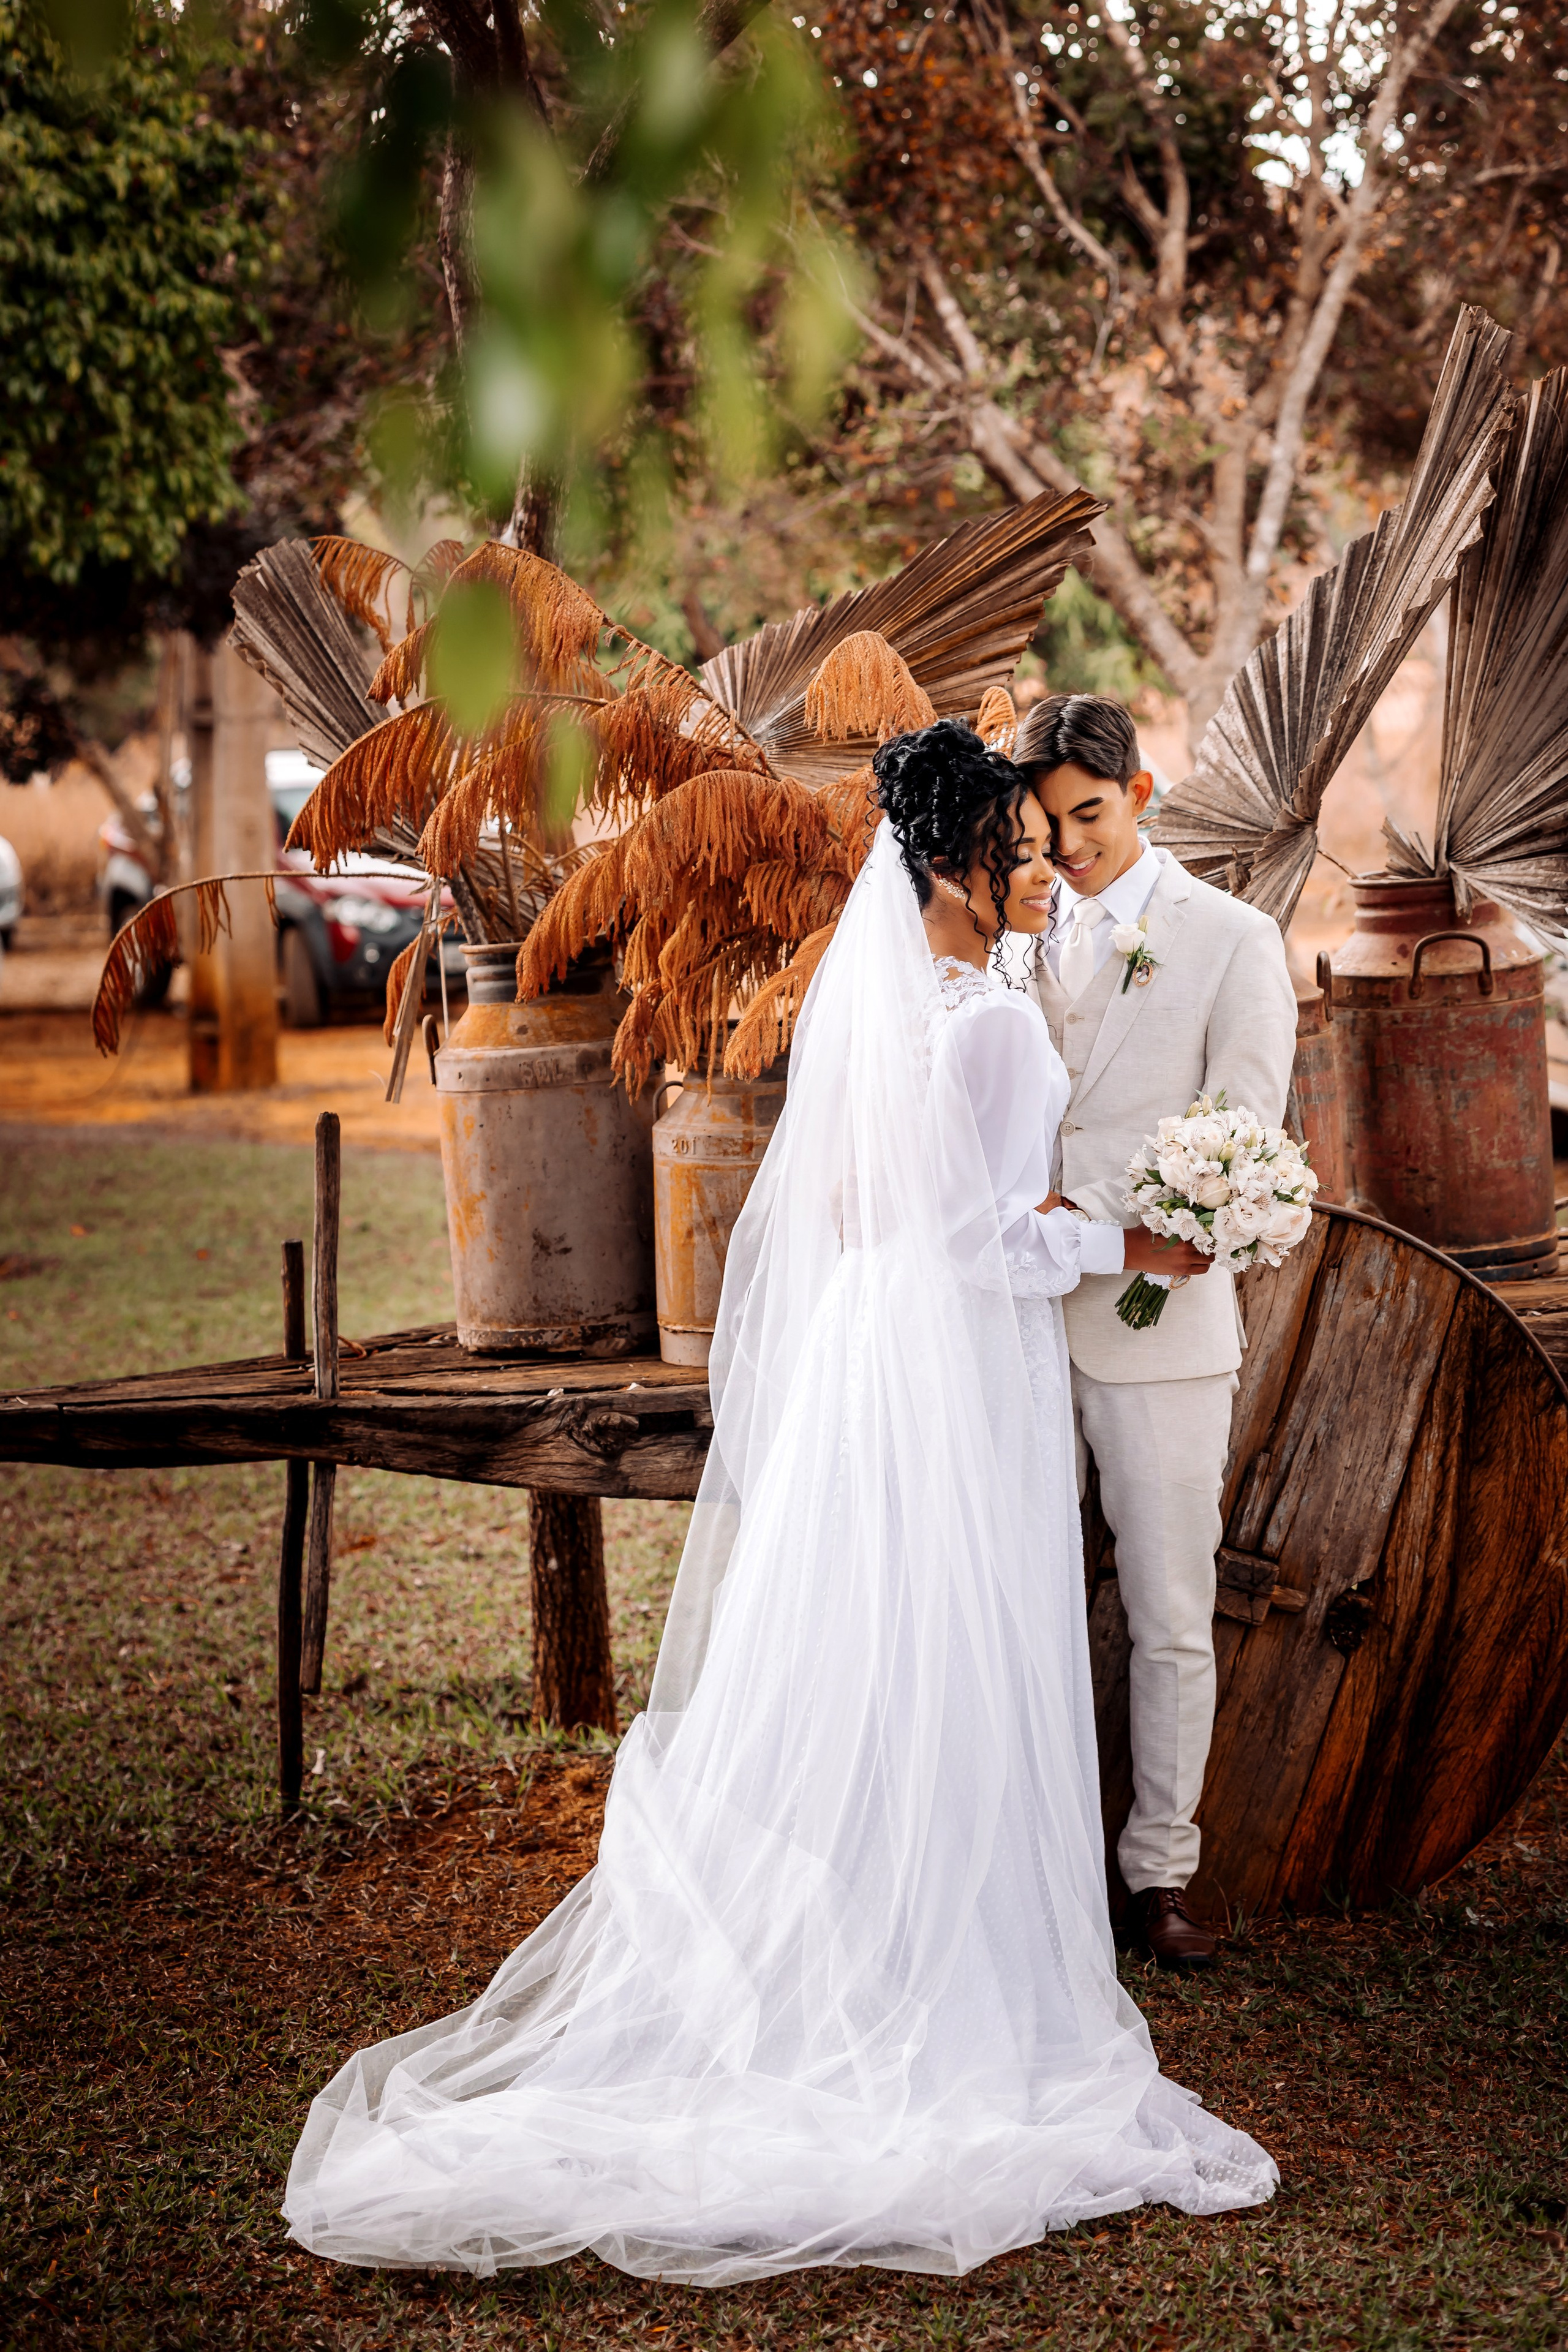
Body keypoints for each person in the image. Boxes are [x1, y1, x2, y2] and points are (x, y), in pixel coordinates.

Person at [282, 720, 1278, 2285]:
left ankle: (870, 1931)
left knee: (879, 1639)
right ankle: (954, 1958)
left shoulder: (878, 1010)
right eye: (1013, 853)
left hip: (872, 1355)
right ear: (952, 864)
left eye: (1044, 847)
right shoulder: (994, 1026)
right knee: (962, 1642)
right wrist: (1121, 1249)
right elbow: (990, 1244)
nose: (1036, 873)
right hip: (964, 1353)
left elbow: (848, 1203)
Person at [1012, 694, 1298, 1969]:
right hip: (1009, 1325)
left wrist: (1134, 1234)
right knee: (1012, 1604)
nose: (1068, 847)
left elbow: (1240, 1138)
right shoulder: (1007, 933)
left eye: (1087, 813)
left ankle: (1159, 1878)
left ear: (1139, 791)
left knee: (1170, 1607)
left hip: (1158, 1320)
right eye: (1045, 823)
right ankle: (1026, 1869)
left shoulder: (1229, 941)